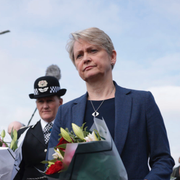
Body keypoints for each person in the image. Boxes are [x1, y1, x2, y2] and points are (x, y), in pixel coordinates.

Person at [48, 27, 175, 179]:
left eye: (93, 50)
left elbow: (162, 160)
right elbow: (53, 166)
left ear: (112, 56)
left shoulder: (142, 102)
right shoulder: (65, 112)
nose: (86, 58)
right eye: (79, 55)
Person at [14, 75, 66, 180]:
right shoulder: (23, 134)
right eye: (41, 101)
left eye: (49, 100)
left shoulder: (70, 132)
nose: (45, 106)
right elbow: (16, 171)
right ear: (36, 104)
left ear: (60, 102)